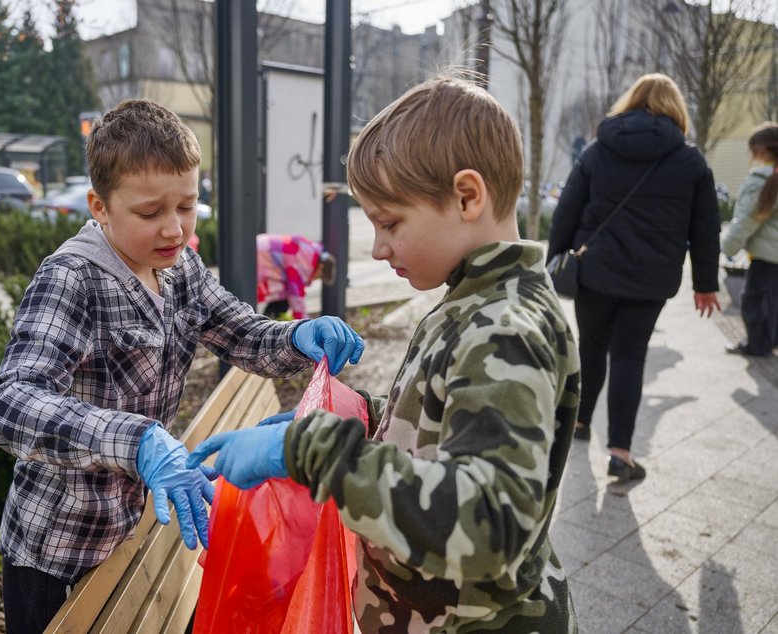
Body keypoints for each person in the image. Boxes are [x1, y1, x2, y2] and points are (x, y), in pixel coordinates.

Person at [189, 76, 582, 633]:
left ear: (467, 196)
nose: (377, 247)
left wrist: (316, 452)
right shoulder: (478, 302)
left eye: (390, 222)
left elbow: (490, 519)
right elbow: (447, 421)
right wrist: (365, 415)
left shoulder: (504, 330)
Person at [0, 99, 364, 634]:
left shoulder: (179, 267)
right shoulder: (72, 279)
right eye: (150, 212)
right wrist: (136, 441)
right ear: (100, 206)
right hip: (59, 553)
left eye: (187, 206)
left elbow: (242, 333)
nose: (175, 231)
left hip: (137, 530)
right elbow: (6, 404)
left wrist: (298, 336)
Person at [546, 73, 721, 481]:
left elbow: (567, 209)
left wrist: (556, 258)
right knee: (629, 356)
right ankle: (621, 452)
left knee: (590, 349)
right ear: (676, 108)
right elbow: (705, 228)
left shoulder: (597, 150)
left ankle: (579, 423)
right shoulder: (691, 161)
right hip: (651, 279)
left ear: (631, 101)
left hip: (596, 272)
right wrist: (705, 284)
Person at [721, 122, 778, 356]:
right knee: (773, 302)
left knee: (754, 301)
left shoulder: (762, 181)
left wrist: (727, 247)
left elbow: (747, 220)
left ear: (759, 150)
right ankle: (770, 341)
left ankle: (757, 345)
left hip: (766, 255)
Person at [256, 233, 336, 319]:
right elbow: (295, 295)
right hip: (258, 256)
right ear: (321, 267)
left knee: (283, 298)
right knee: (284, 298)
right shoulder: (303, 263)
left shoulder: (308, 252)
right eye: (320, 276)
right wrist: (306, 325)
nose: (315, 279)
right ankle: (268, 324)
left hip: (260, 248)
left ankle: (268, 322)